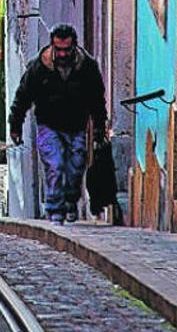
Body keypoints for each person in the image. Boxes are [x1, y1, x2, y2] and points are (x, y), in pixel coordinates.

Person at [8, 24, 108, 225]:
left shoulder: (87, 66)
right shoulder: (39, 67)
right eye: (59, 49)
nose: (62, 54)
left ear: (74, 46)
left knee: (75, 168)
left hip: (77, 125)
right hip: (48, 125)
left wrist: (98, 127)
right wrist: (15, 125)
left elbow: (97, 99)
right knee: (55, 165)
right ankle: (55, 211)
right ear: (52, 46)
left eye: (66, 50)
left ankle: (70, 200)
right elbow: (23, 96)